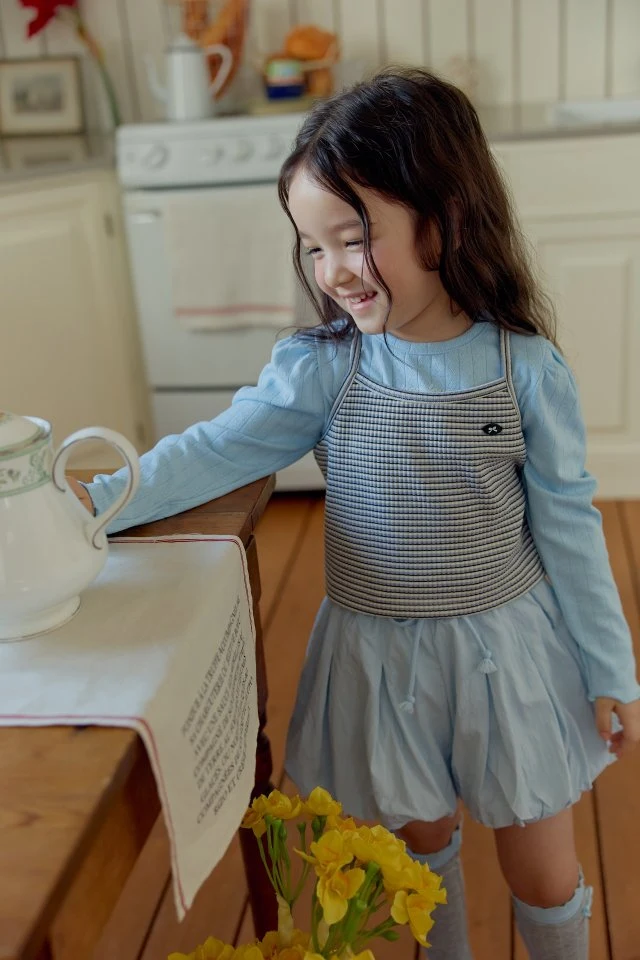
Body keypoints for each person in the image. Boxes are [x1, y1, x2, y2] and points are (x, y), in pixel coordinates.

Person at [71, 69, 640, 960]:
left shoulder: (523, 369)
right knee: (422, 853)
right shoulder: (327, 367)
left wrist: (611, 668)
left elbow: (568, 524)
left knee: (542, 869)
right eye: (313, 245)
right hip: (383, 657)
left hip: (506, 654)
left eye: (354, 237)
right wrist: (98, 499)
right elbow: (218, 449)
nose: (332, 270)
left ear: (445, 220)